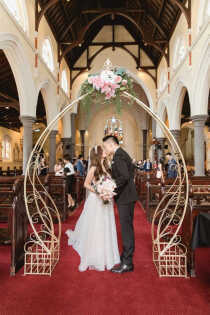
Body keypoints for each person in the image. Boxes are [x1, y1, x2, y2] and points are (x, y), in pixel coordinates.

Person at [66, 145, 120, 272]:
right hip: (97, 200)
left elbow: (109, 181)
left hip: (106, 199)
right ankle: (96, 253)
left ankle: (108, 253)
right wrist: (98, 190)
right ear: (98, 154)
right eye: (103, 150)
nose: (105, 151)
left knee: (106, 225)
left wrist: (109, 188)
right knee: (97, 226)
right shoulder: (94, 168)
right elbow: (86, 184)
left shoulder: (106, 167)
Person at [103, 135, 138, 274]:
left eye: (105, 146)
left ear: (111, 145)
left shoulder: (119, 156)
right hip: (127, 196)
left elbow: (124, 176)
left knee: (126, 230)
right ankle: (126, 259)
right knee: (126, 228)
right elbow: (130, 172)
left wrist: (111, 188)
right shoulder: (121, 154)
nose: (105, 149)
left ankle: (127, 263)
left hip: (126, 198)